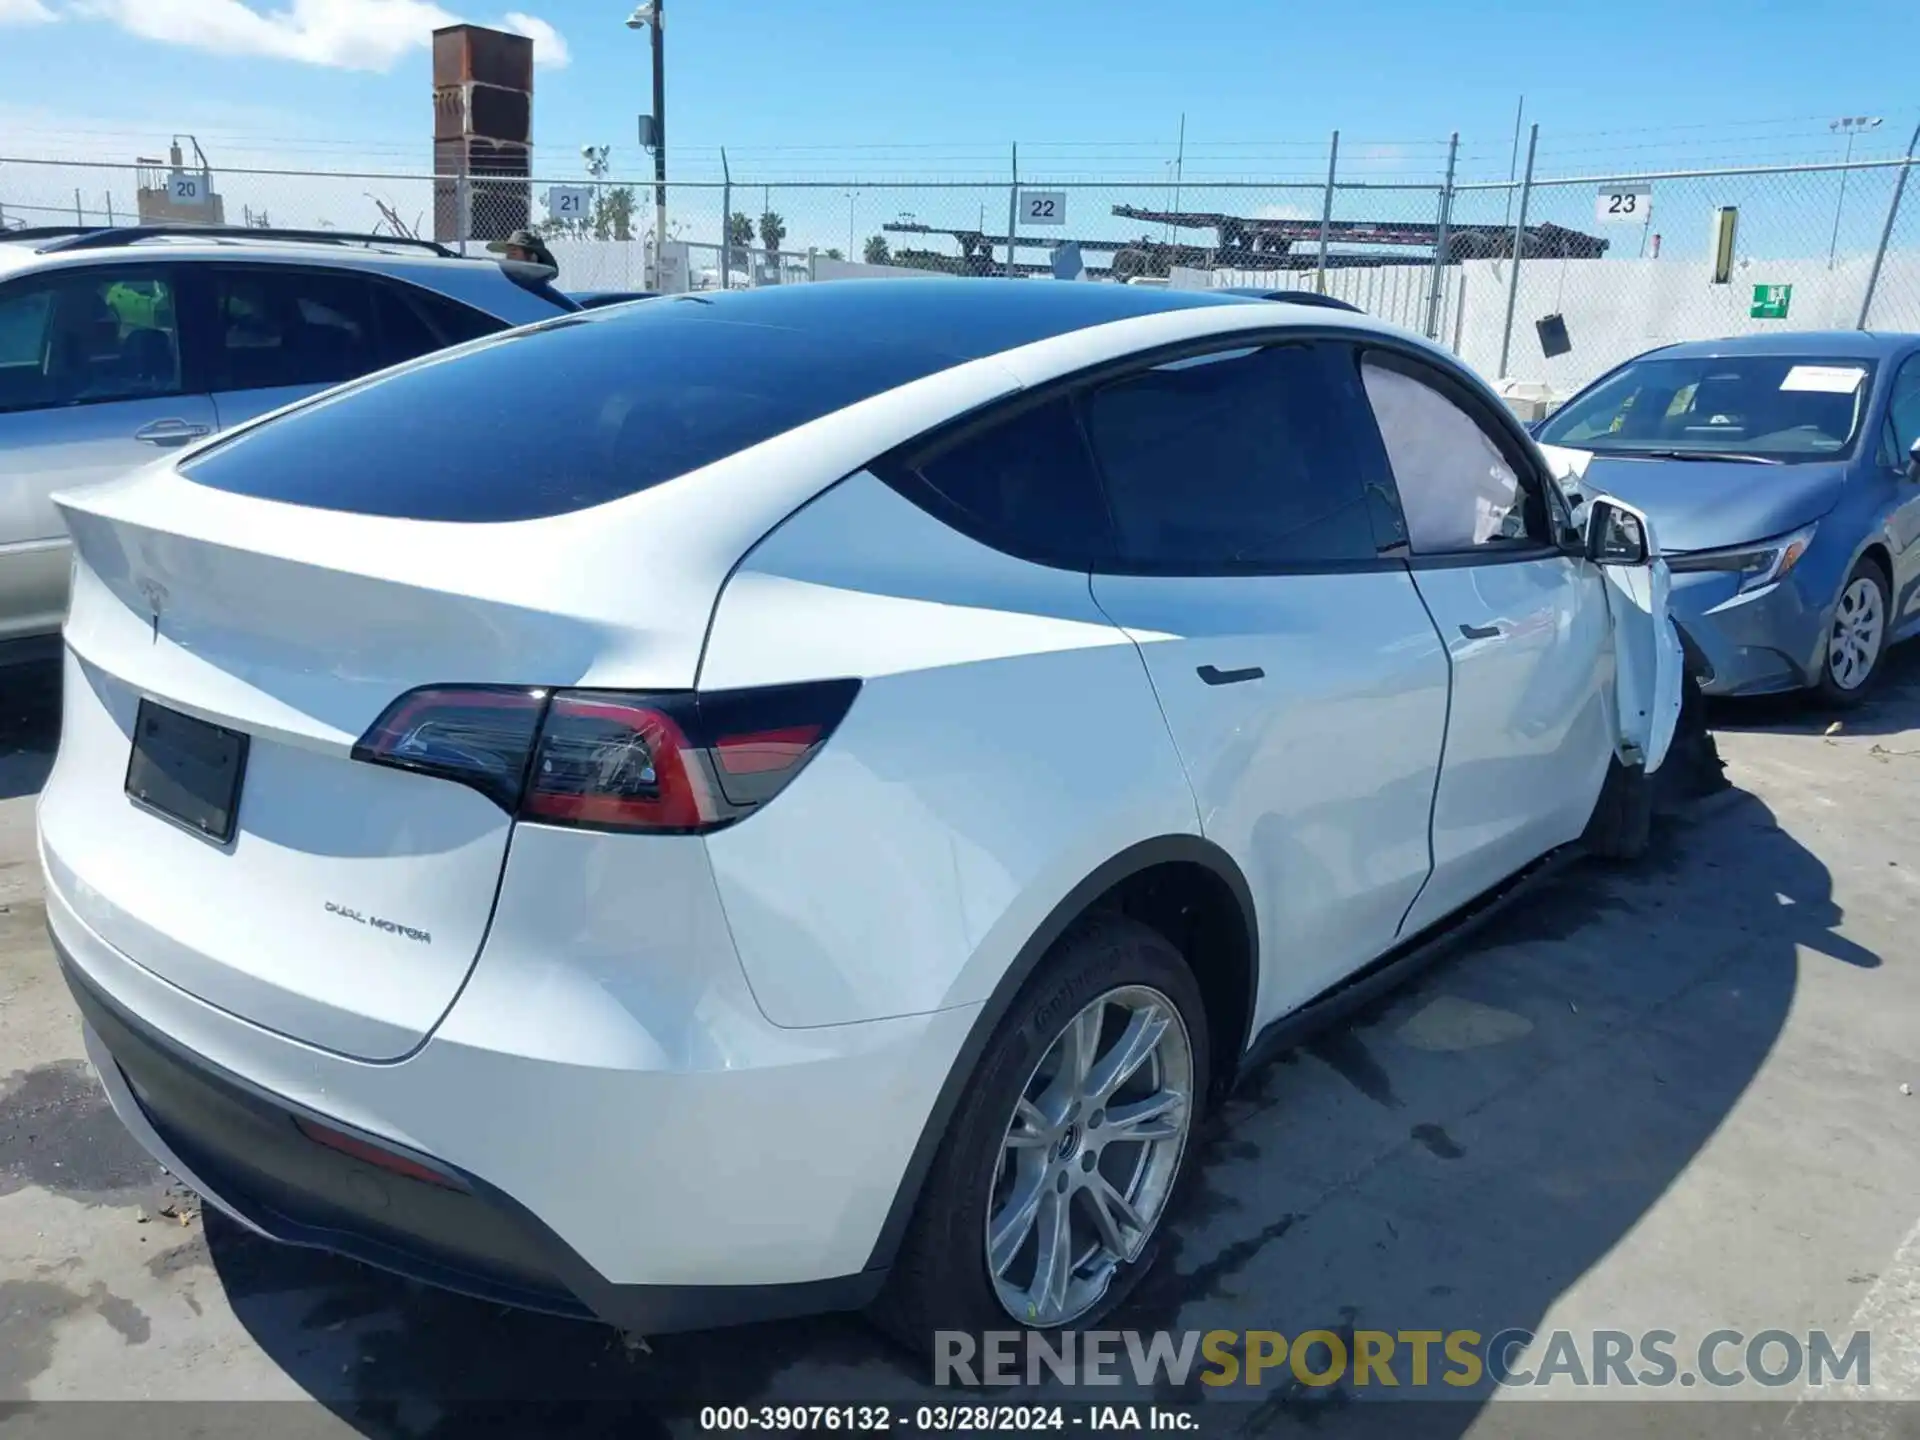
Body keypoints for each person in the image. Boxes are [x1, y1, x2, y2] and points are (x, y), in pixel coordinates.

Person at [486, 229, 558, 273]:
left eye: (513, 252)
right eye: (507, 252)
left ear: (532, 257)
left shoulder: (538, 291)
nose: (508, 257)